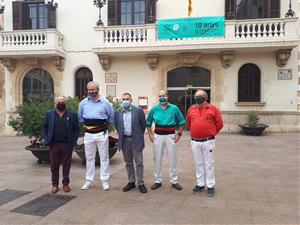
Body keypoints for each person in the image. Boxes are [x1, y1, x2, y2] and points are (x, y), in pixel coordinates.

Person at [186, 89, 223, 197]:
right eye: (196, 96)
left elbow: (219, 123)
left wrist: (211, 133)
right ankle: (200, 184)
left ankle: (210, 186)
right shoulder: (191, 109)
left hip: (208, 141)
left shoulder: (213, 108)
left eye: (200, 96)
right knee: (198, 164)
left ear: (206, 97)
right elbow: (188, 123)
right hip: (195, 141)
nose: (198, 98)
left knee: (209, 164)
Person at [146, 90, 186, 191]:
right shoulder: (154, 109)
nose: (161, 98)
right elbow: (148, 122)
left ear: (167, 96)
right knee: (157, 158)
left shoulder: (174, 108)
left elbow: (182, 122)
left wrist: (179, 134)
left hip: (170, 135)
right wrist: (150, 134)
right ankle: (157, 180)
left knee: (173, 158)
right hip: (158, 136)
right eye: (160, 96)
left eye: (163, 95)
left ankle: (174, 181)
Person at [78, 81, 114, 190]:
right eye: (89, 89)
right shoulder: (83, 103)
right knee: (89, 158)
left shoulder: (105, 103)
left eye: (93, 89)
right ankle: (88, 181)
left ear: (98, 89)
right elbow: (80, 118)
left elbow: (111, 117)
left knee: (104, 158)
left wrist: (100, 125)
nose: (91, 91)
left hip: (101, 134)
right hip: (88, 135)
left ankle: (104, 181)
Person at [41, 95, 80, 193]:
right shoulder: (49, 114)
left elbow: (77, 129)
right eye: (59, 102)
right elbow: (44, 127)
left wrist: (73, 139)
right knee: (54, 165)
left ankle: (66, 184)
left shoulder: (72, 115)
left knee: (67, 164)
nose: (60, 104)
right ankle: (54, 185)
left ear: (65, 103)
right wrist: (46, 139)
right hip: (54, 144)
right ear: (55, 103)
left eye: (62, 102)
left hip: (67, 144)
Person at [114, 92, 147, 193]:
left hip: (136, 139)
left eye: (127, 99)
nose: (125, 101)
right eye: (123, 99)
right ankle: (131, 182)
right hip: (124, 140)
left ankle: (141, 183)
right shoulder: (117, 112)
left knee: (139, 162)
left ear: (131, 100)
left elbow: (143, 125)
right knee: (128, 162)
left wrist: (138, 135)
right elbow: (117, 125)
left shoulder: (138, 111)